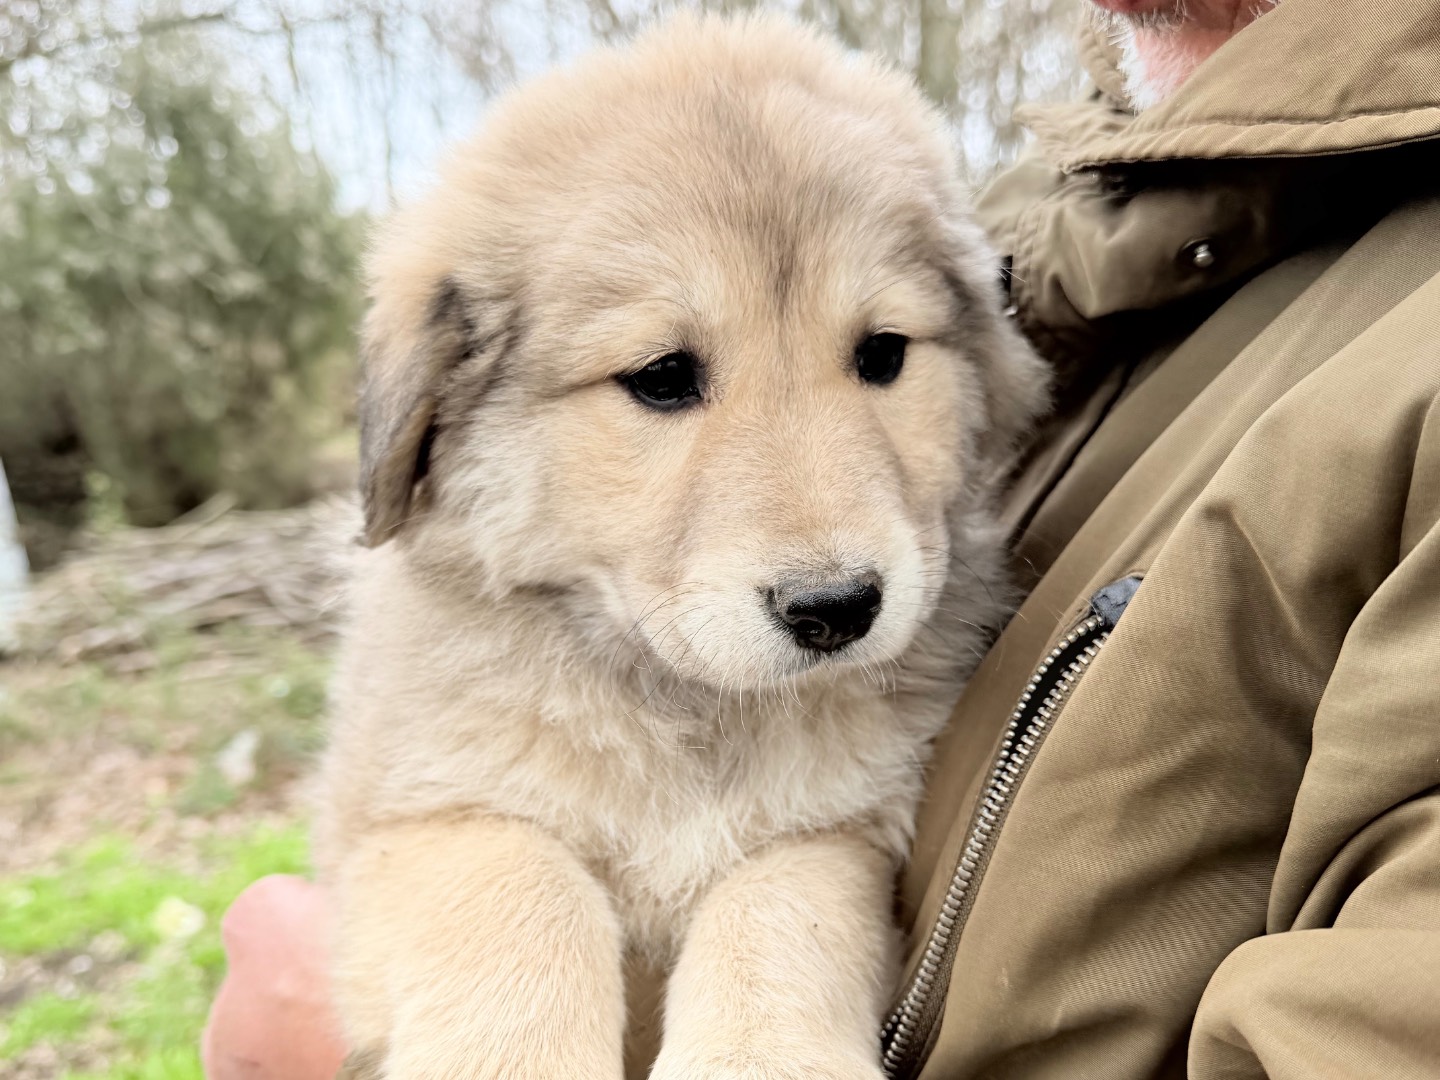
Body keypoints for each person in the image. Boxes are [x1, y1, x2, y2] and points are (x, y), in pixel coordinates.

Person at [203, 0, 1440, 1076]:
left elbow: (833, 835)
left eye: (880, 352)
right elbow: (419, 833)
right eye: (664, 374)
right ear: (439, 411)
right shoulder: (1107, 242)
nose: (828, 546)